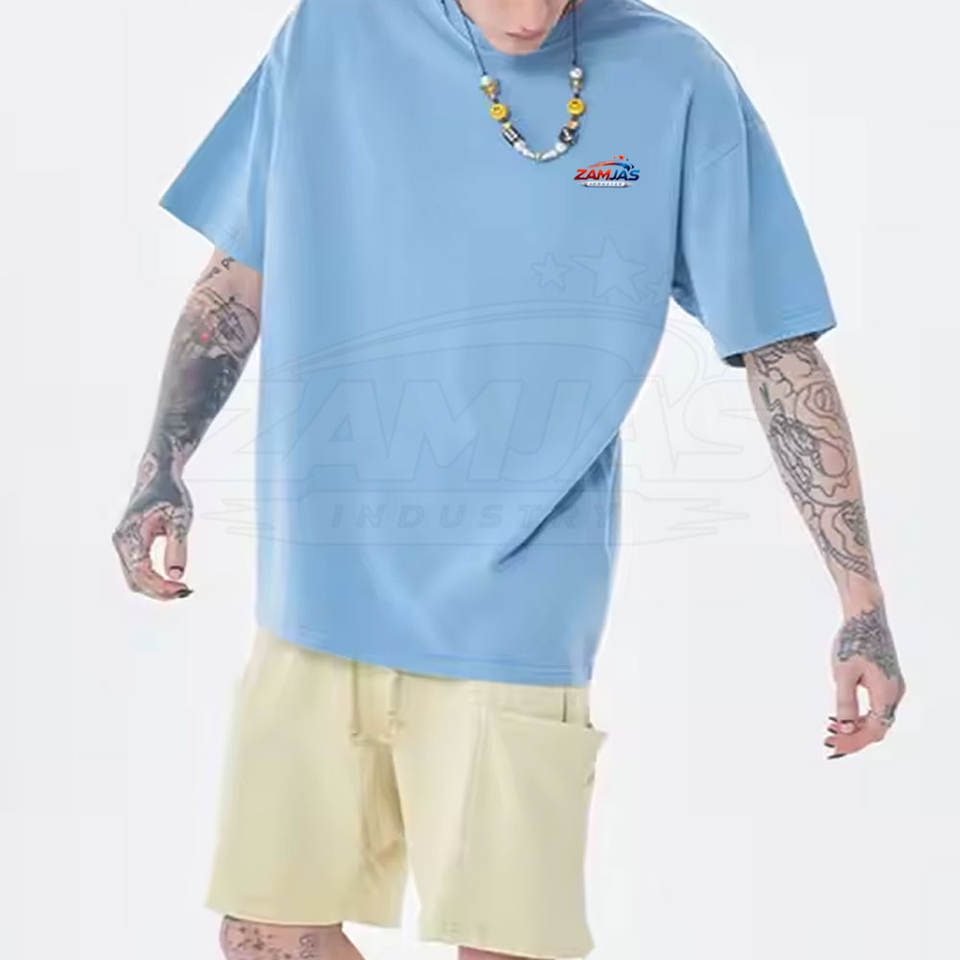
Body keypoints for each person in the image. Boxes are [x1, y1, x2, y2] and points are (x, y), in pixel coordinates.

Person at [113, 0, 906, 957]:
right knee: (264, 933)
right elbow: (240, 273)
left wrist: (860, 600)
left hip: (519, 607)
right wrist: (162, 467)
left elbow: (778, 348)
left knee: (506, 946)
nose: (530, 16)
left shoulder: (676, 77)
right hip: (318, 589)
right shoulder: (333, 34)